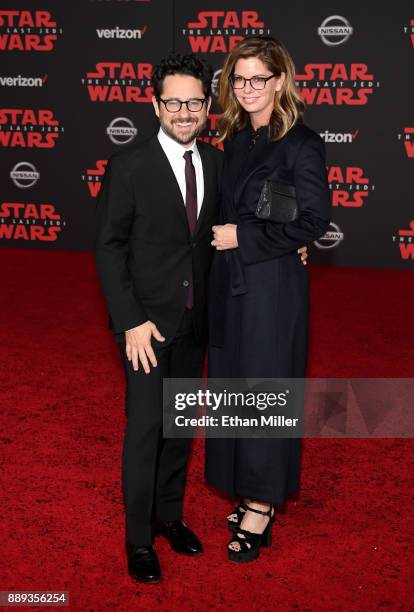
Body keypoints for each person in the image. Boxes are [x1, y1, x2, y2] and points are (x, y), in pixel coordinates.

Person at [95, 51, 308, 583]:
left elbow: (249, 221)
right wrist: (130, 321)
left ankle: (170, 517)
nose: (185, 112)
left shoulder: (218, 161)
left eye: (195, 101)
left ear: (208, 105)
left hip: (198, 323)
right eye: (174, 102)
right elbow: (108, 248)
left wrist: (291, 247)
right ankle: (139, 539)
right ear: (155, 103)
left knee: (180, 428)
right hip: (146, 327)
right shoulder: (128, 167)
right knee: (146, 429)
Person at [205, 36, 331, 563]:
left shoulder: (302, 142)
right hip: (230, 284)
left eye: (259, 78)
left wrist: (247, 239)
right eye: (239, 79)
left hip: (273, 288)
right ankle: (242, 484)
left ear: (280, 80)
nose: (249, 88)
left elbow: (314, 221)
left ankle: (260, 502)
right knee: (235, 383)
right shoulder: (235, 138)